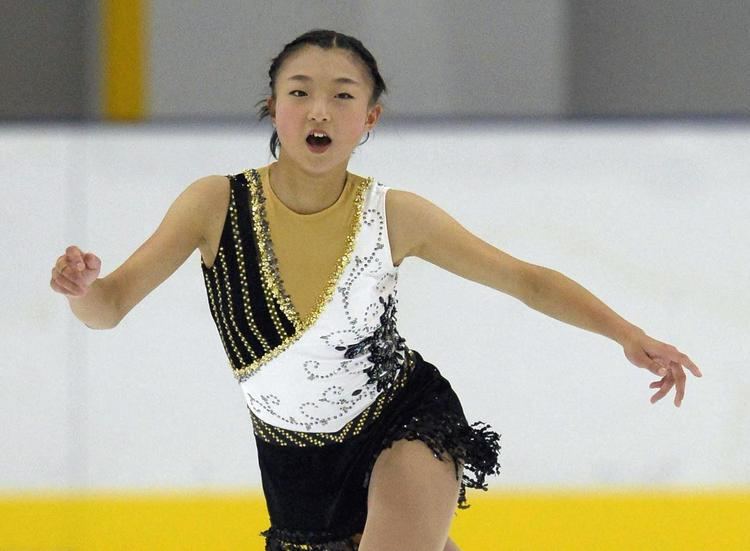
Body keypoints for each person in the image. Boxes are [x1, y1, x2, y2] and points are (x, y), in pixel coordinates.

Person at [49, 29, 702, 551]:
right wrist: (83, 288)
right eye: (299, 92)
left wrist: (628, 334)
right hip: (296, 472)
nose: (319, 109)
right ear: (273, 106)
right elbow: (107, 308)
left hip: (405, 421)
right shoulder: (213, 205)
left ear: (370, 118)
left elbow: (524, 278)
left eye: (342, 95)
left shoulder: (395, 216)